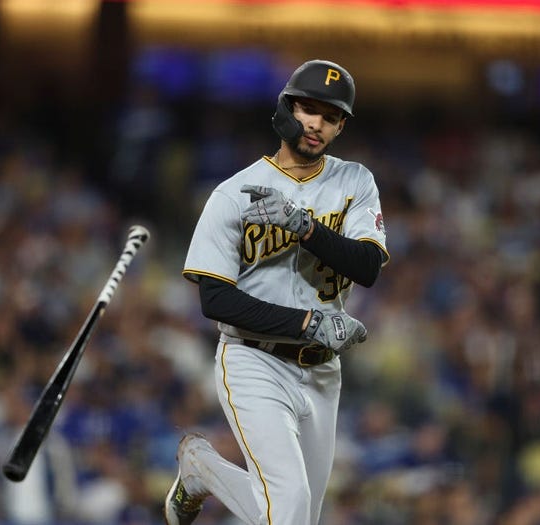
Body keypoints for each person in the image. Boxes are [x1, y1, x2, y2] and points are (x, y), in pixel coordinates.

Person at [165, 59, 389, 525]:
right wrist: (305, 323)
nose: (316, 125)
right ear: (286, 110)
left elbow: (367, 266)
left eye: (330, 117)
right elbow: (215, 301)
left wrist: (307, 229)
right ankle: (202, 469)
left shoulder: (354, 181)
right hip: (254, 360)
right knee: (287, 509)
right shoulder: (232, 194)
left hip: (323, 371)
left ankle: (202, 468)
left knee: (298, 518)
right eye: (308, 110)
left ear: (340, 126)